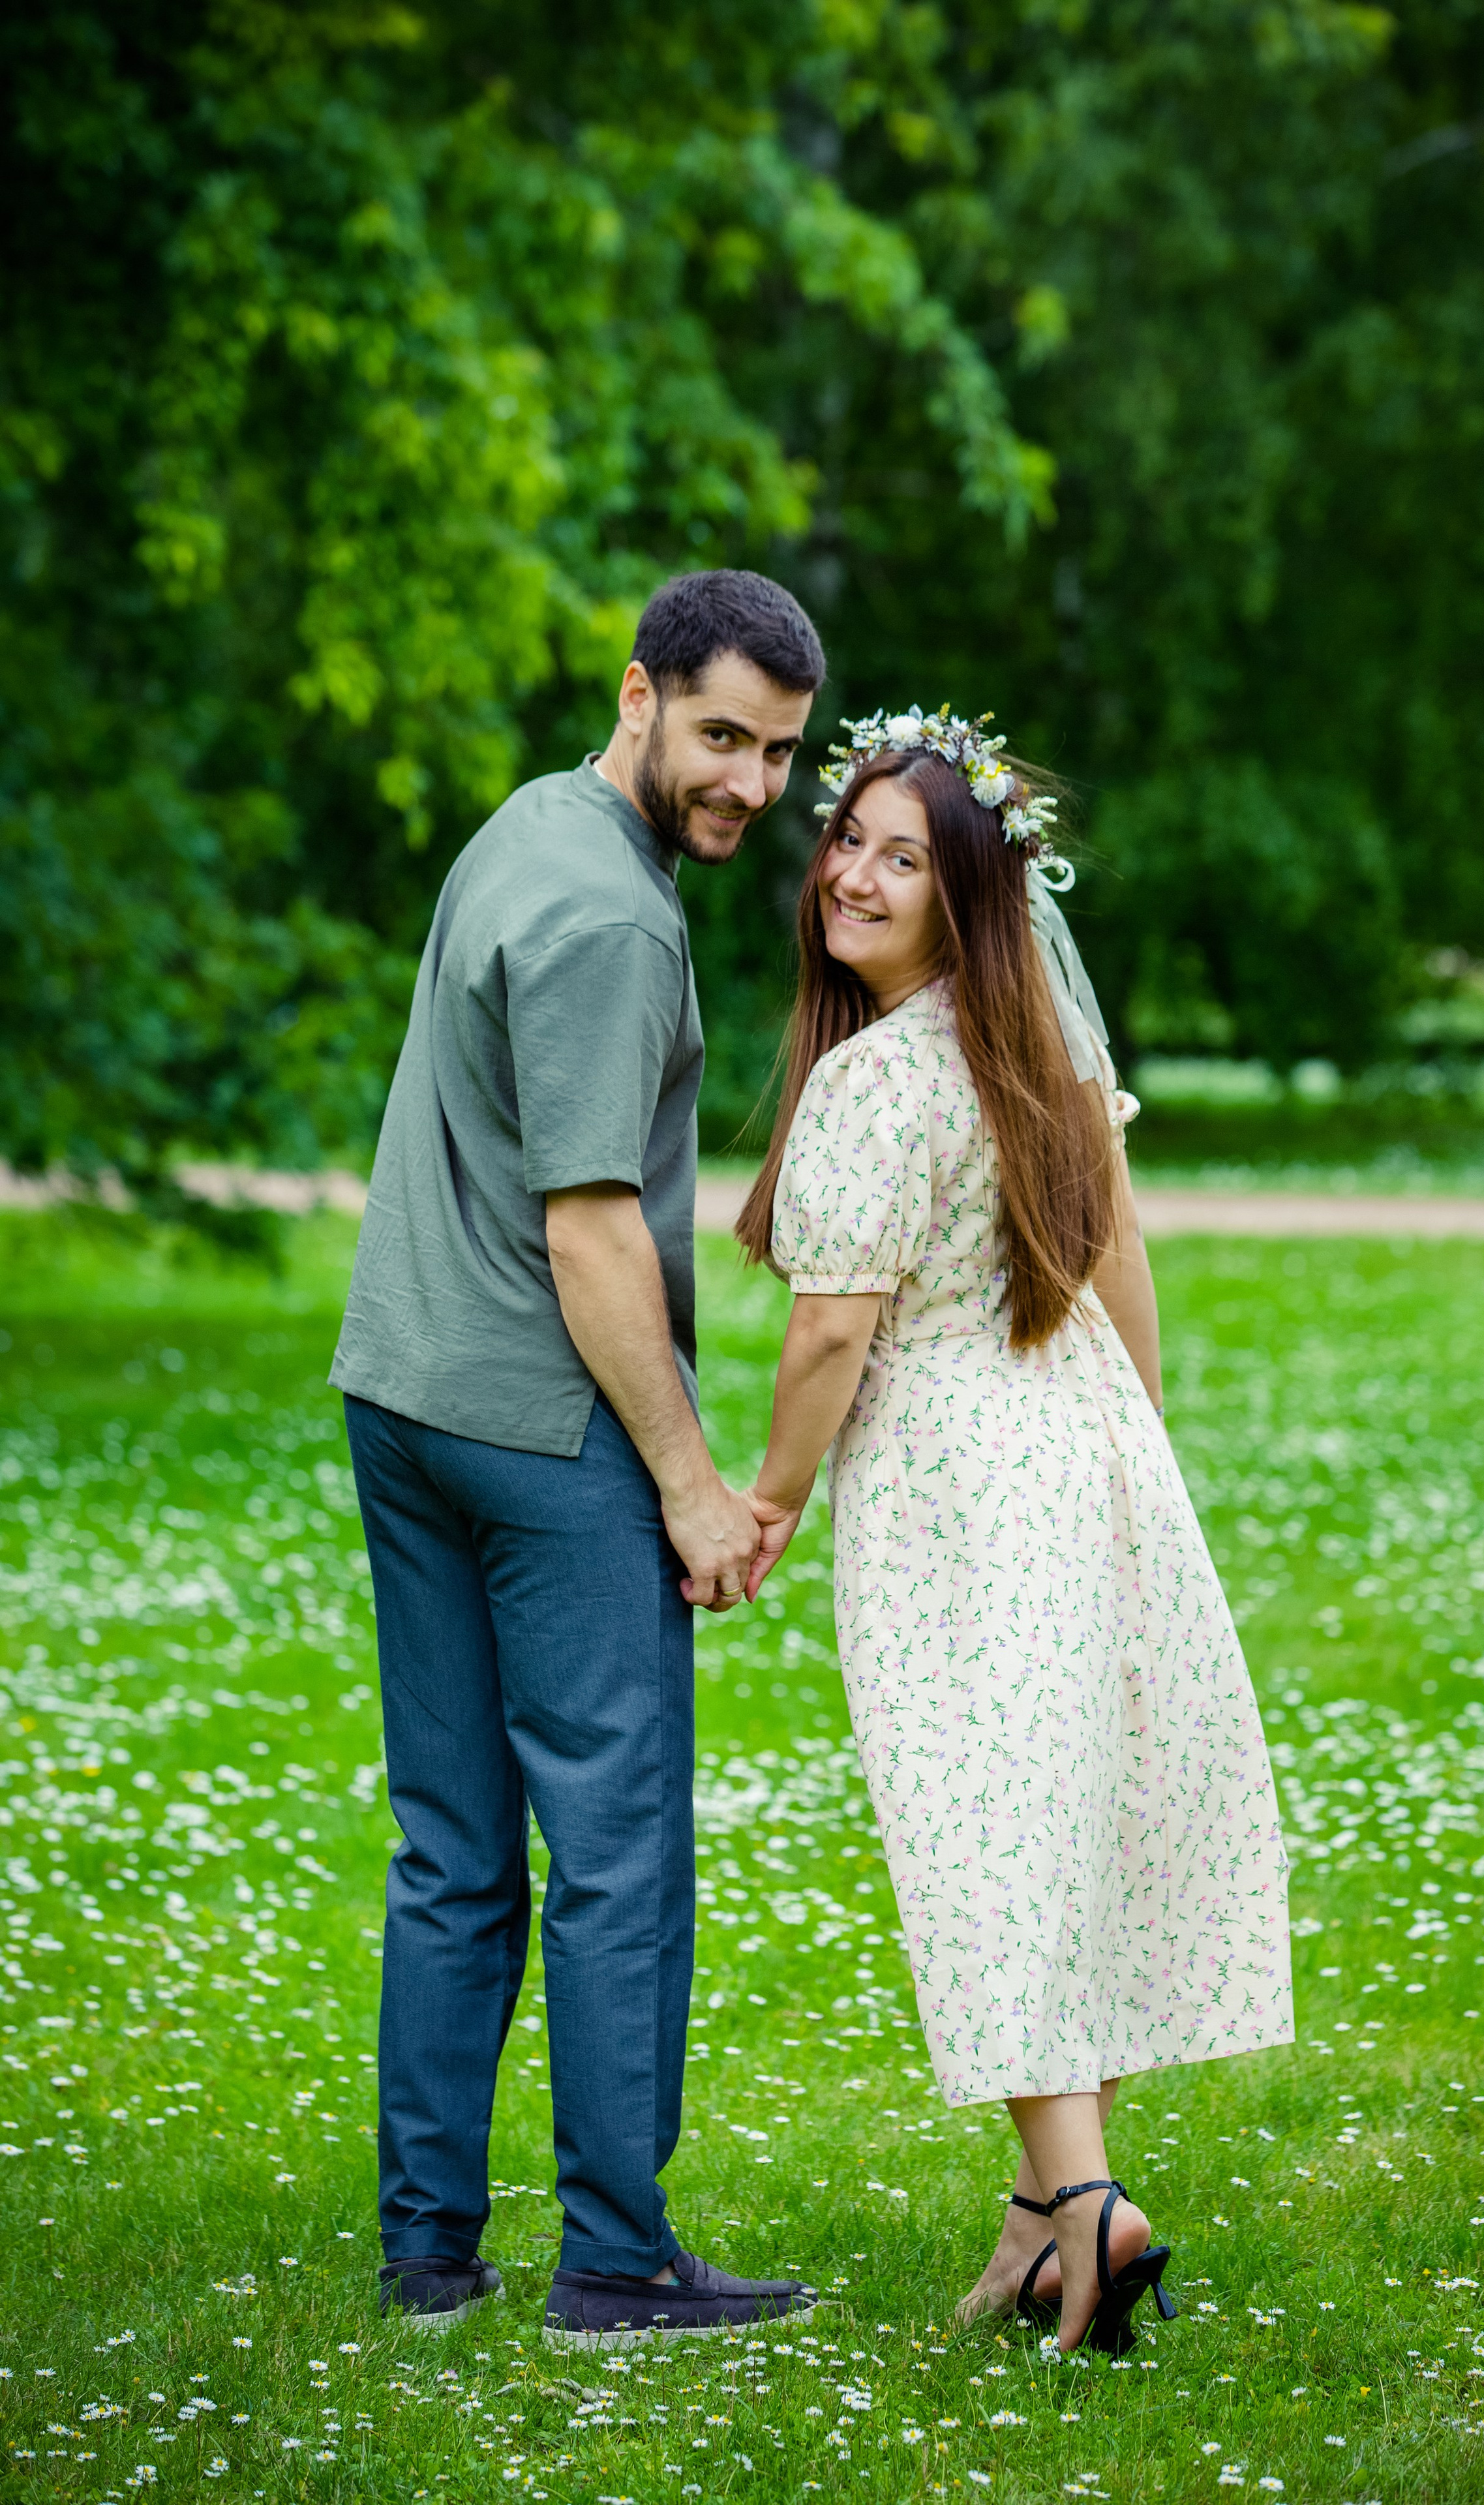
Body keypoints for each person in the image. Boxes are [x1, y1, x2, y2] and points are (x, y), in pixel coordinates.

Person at [735, 705, 1293, 2355]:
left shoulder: (869, 1081)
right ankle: (1043, 2225)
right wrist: (1146, 1462)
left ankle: (1090, 2211)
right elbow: (1119, 1263)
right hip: (1090, 1446)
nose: (853, 872)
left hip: (957, 1493)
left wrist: (764, 1503)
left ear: (965, 889)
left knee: (982, 1849)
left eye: (902, 858)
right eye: (847, 838)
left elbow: (831, 1336)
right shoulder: (1033, 1045)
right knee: (1057, 1840)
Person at [330, 569, 827, 2344]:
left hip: (403, 1393)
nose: (749, 786)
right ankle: (615, 2262)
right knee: (615, 1846)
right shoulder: (616, 921)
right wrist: (692, 1479)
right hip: (542, 1431)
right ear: (640, 693)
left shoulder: (530, 827)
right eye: (719, 738)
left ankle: (428, 2253)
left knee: (453, 1842)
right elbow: (594, 1230)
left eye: (777, 755)